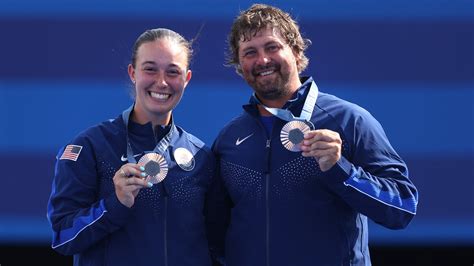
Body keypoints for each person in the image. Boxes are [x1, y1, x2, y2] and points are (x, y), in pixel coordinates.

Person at [210, 4, 419, 266]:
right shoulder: (230, 138)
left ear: (296, 52)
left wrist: (340, 169)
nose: (262, 60)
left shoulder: (349, 121)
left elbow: (402, 207)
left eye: (272, 47)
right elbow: (213, 229)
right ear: (240, 65)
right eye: (250, 52)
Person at [47, 28, 217, 266]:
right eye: (150, 69)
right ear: (132, 73)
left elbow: (217, 243)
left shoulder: (202, 157)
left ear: (186, 79)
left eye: (173, 72)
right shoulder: (91, 147)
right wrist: (115, 204)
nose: (162, 82)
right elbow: (63, 237)